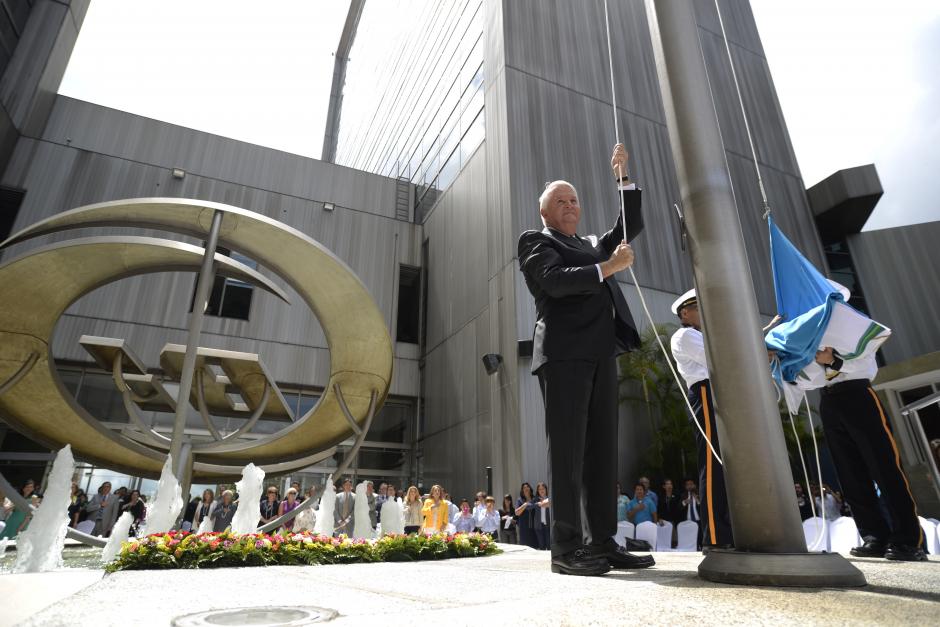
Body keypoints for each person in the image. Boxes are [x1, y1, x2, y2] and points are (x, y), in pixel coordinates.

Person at [517, 143, 653, 576]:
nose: (570, 205)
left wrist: (622, 178)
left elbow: (629, 226)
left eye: (574, 199)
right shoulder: (536, 240)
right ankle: (565, 548)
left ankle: (602, 542)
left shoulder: (592, 244)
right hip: (563, 355)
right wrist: (608, 268)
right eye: (561, 201)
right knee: (568, 451)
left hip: (600, 354)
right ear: (545, 212)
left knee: (601, 452)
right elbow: (555, 282)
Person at [808, 344, 926, 560]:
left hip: (858, 393)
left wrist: (833, 361)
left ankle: (909, 540)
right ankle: (874, 536)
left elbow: (868, 350)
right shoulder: (805, 334)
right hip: (828, 399)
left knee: (885, 468)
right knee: (850, 475)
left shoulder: (846, 325)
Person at [670, 289, 734, 550]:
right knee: (712, 464)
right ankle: (715, 536)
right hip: (705, 393)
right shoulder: (685, 335)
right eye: (698, 308)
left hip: (720, 392)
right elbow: (717, 357)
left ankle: (728, 531)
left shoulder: (701, 335)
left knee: (727, 466)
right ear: (685, 313)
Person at [514, 482, 538, 549]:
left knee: (535, 547)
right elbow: (517, 513)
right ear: (522, 490)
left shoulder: (535, 499)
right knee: (525, 547)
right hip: (524, 527)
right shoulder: (520, 500)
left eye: (527, 487)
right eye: (524, 487)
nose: (526, 488)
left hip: (535, 527)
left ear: (530, 488)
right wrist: (525, 505)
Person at [533, 482, 551, 550]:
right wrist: (537, 504)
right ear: (538, 491)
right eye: (540, 489)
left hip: (548, 526)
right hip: (539, 526)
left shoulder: (550, 498)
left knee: (549, 546)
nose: (541, 490)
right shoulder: (536, 499)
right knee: (542, 546)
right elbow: (528, 507)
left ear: (546, 489)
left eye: (543, 488)